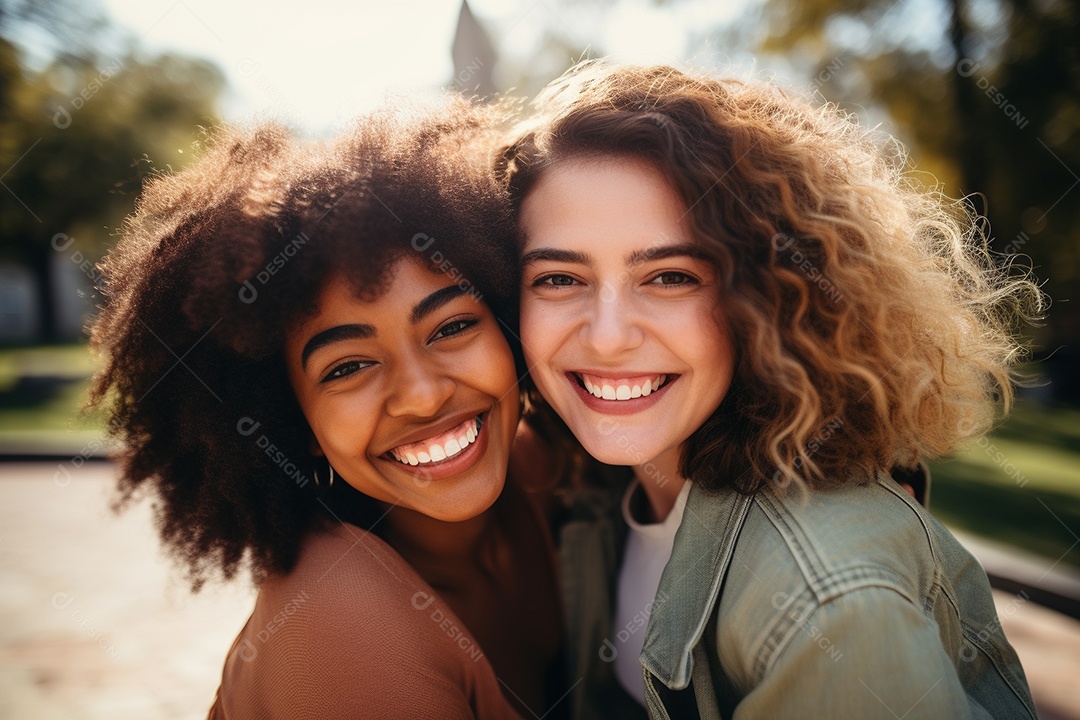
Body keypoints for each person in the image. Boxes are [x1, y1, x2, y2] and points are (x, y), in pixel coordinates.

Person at [500, 60, 1040, 719]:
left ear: (768, 297)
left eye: (670, 277)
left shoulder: (829, 604)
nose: (608, 337)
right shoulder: (602, 488)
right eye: (559, 279)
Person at [88, 96, 563, 719]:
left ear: (506, 325)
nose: (422, 393)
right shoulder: (337, 620)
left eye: (451, 327)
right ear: (294, 421)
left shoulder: (558, 477)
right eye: (348, 368)